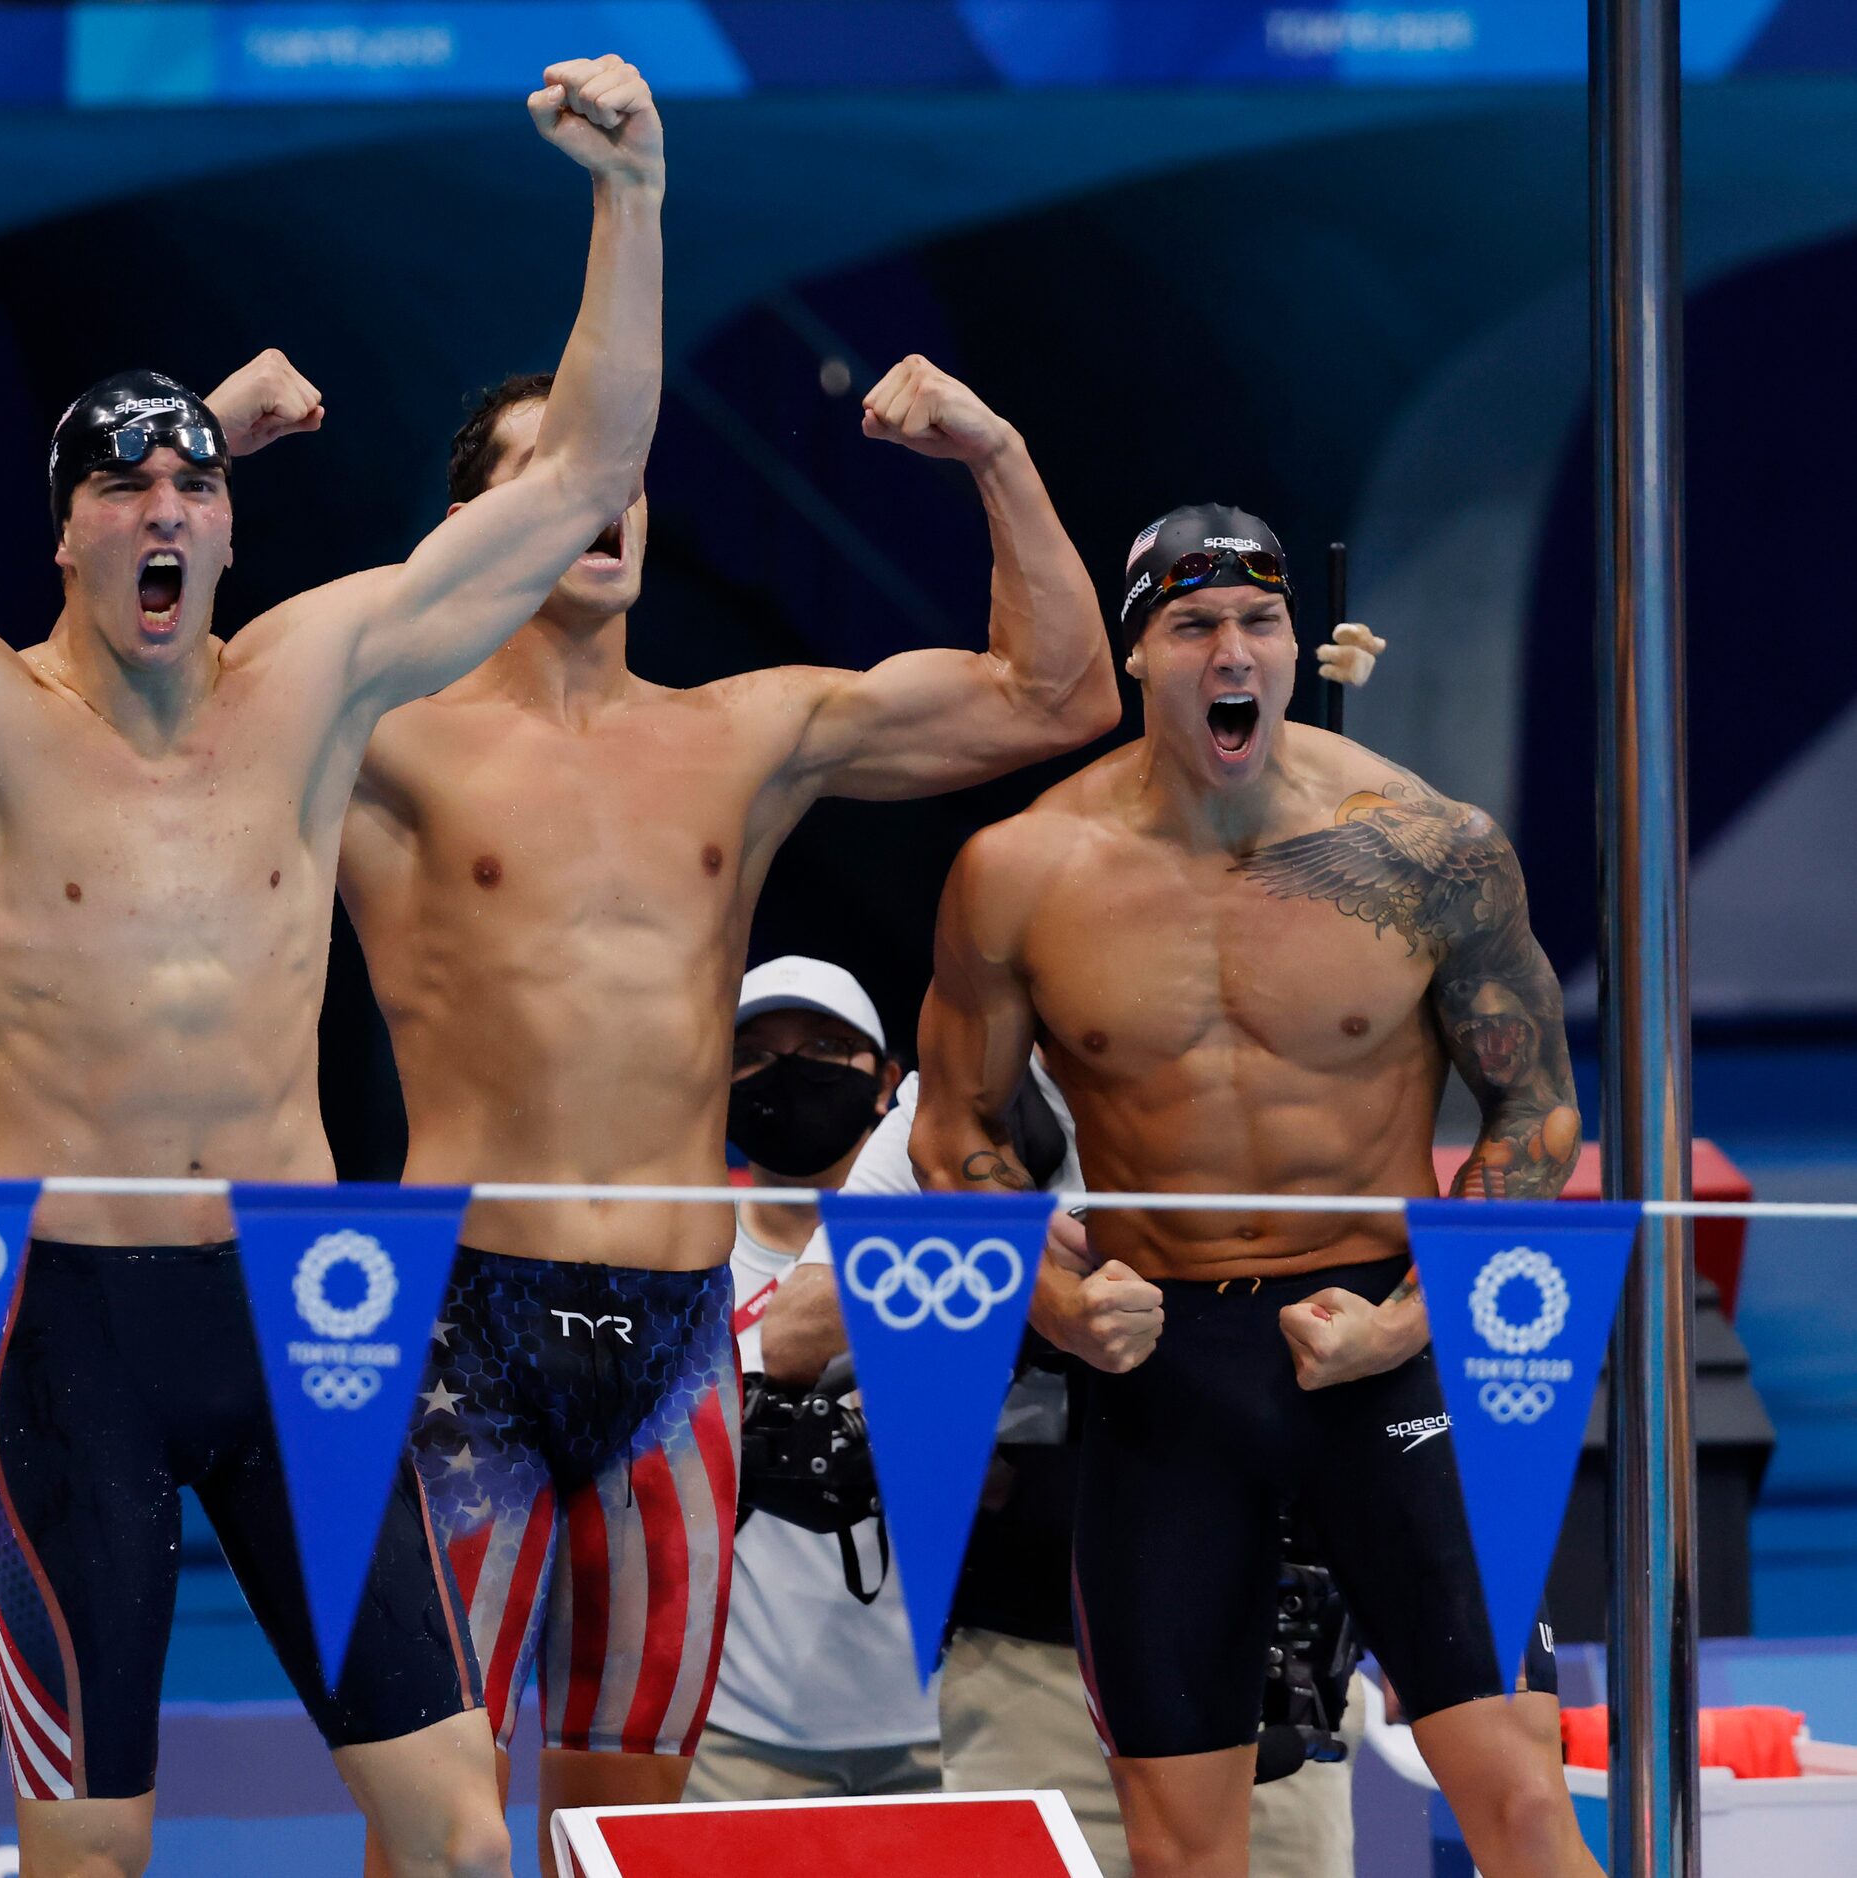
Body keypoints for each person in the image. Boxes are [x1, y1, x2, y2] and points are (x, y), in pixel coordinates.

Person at [0, 33, 667, 1878]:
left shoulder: (318, 677)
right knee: (91, 1854)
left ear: (228, 521)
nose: (165, 510)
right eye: (123, 487)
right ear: (61, 531)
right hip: (74, 1323)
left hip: (305, 1315)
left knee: (457, 1835)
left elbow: (580, 470)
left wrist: (634, 195)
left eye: (193, 485)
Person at [338, 351, 1117, 1867]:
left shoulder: (738, 737)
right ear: (471, 524)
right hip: (461, 1325)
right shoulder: (381, 738)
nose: (600, 496)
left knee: (623, 1825)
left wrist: (996, 449)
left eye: (619, 466)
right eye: (549, 470)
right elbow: (154, 729)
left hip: (676, 1336)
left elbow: (1059, 691)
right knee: (437, 1831)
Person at [911, 504, 1593, 1878]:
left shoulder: (1423, 845)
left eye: (1260, 623)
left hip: (1386, 1346)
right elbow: (954, 1133)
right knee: (1177, 1849)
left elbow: (1537, 1110)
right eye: (1195, 625)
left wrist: (1415, 1318)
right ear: (1139, 655)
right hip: (1165, 1363)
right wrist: (1053, 1301)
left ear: (1294, 643)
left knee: (1519, 1797)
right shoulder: (1024, 872)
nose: (1234, 652)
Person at [760, 616, 1390, 1878]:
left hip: (1270, 1660)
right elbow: (789, 1334)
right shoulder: (969, 1124)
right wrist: (1018, 1281)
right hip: (1028, 1662)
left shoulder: (1294, 1116)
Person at [682, 957, 938, 1804]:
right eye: (753, 1055)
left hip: (954, 1724)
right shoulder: (673, 1250)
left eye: (826, 1047)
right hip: (732, 1733)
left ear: (887, 1083)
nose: (790, 1073)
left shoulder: (961, 1254)